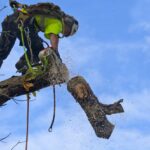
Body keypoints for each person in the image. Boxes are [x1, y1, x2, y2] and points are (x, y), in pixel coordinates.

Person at [0, 0, 78, 73]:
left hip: (9, 21)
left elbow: (25, 8)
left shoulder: (43, 12)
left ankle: (22, 65)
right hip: (24, 24)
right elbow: (53, 35)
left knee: (2, 52)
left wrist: (16, 5)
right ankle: (23, 65)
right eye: (67, 32)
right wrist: (55, 52)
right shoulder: (58, 22)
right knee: (38, 50)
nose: (64, 33)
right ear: (68, 25)